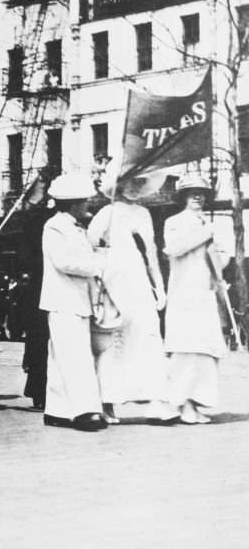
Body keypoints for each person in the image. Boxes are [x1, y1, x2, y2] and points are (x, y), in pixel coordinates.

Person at [86, 177, 175, 424]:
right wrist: (101, 274)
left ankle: (156, 401)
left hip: (138, 276)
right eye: (130, 183)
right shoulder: (107, 212)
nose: (135, 188)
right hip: (114, 278)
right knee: (116, 340)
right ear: (119, 186)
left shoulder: (144, 213)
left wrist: (159, 285)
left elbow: (151, 251)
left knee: (148, 334)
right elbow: (90, 244)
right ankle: (107, 403)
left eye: (140, 183)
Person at [39, 173, 108, 432]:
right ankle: (84, 411)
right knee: (75, 357)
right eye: (85, 201)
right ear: (73, 203)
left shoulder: (75, 227)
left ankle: (57, 409)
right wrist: (97, 266)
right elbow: (64, 262)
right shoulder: (55, 226)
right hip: (63, 299)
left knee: (62, 358)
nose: (88, 205)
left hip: (76, 300)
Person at [162, 172, 228, 425]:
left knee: (205, 350)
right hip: (183, 293)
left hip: (204, 293)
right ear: (183, 197)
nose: (198, 197)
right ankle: (181, 404)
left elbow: (215, 261)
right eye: (192, 193)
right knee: (186, 349)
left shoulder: (206, 224)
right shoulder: (174, 221)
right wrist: (205, 234)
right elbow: (175, 249)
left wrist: (221, 257)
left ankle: (196, 402)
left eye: (202, 193)